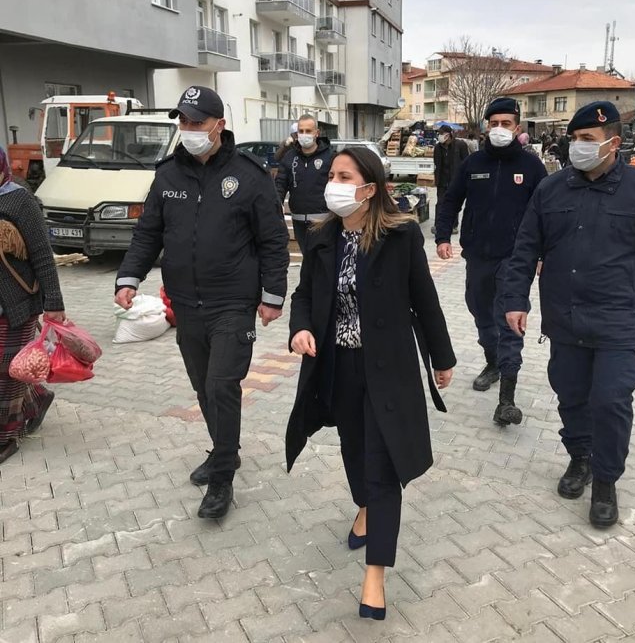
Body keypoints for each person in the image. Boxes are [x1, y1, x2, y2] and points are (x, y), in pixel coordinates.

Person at [286, 147, 456, 620]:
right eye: (332, 175)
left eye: (344, 176)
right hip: (338, 367)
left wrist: (442, 358)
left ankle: (375, 574)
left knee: (382, 465)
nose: (333, 184)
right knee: (354, 451)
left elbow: (424, 299)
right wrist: (300, 328)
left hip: (389, 369)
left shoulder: (401, 235)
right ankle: (363, 505)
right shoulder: (321, 236)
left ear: (370, 188)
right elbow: (304, 295)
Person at [114, 86, 289, 519]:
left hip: (233, 301)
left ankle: (223, 477)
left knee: (220, 385)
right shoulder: (168, 174)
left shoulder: (249, 175)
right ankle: (224, 449)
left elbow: (273, 240)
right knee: (201, 384)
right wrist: (129, 277)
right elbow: (148, 233)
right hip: (185, 302)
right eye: (184, 121)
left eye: (197, 122)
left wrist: (272, 297)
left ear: (219, 125)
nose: (188, 129)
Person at [504, 101, 635, 528]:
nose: (577, 146)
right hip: (565, 318)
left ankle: (606, 481)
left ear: (613, 143)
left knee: (611, 401)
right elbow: (525, 248)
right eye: (574, 138)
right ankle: (580, 458)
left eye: (587, 139)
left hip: (618, 321)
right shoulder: (551, 189)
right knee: (572, 396)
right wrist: (515, 300)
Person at [435, 97, 547, 426]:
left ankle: (506, 400)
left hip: (516, 259)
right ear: (486, 126)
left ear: (517, 127)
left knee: (509, 319)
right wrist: (443, 236)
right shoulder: (473, 163)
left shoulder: (532, 167)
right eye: (494, 123)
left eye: (506, 123)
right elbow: (450, 200)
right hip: (478, 255)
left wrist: (543, 254)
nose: (499, 128)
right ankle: (493, 361)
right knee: (480, 312)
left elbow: (547, 214)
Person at [0, 146, 66, 463]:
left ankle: (6, 437)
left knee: (6, 373)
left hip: (16, 302)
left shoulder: (18, 200)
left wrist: (54, 302)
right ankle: (37, 398)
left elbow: (42, 254)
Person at [275, 114, 334, 255]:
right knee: (307, 259)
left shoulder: (330, 156)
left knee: (323, 260)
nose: (304, 134)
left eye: (308, 131)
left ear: (316, 133)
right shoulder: (289, 157)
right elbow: (280, 185)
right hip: (299, 222)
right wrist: (275, 207)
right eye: (301, 131)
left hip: (324, 222)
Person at [432, 125, 469, 235]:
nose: (439, 136)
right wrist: (436, 179)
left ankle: (453, 225)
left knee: (454, 203)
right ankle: (438, 226)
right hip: (442, 180)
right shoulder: (438, 147)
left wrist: (465, 179)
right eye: (439, 134)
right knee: (440, 203)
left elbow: (466, 162)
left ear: (448, 135)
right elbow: (436, 164)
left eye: (441, 134)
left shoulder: (460, 145)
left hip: (456, 180)